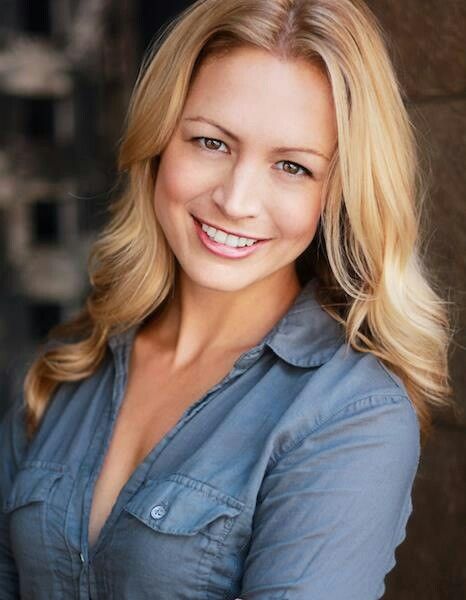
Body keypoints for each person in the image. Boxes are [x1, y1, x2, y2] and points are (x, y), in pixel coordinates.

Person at [0, 0, 455, 598]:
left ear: (337, 195)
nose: (237, 199)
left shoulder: (350, 414)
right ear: (160, 142)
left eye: (292, 166)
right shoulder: (71, 366)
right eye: (212, 143)